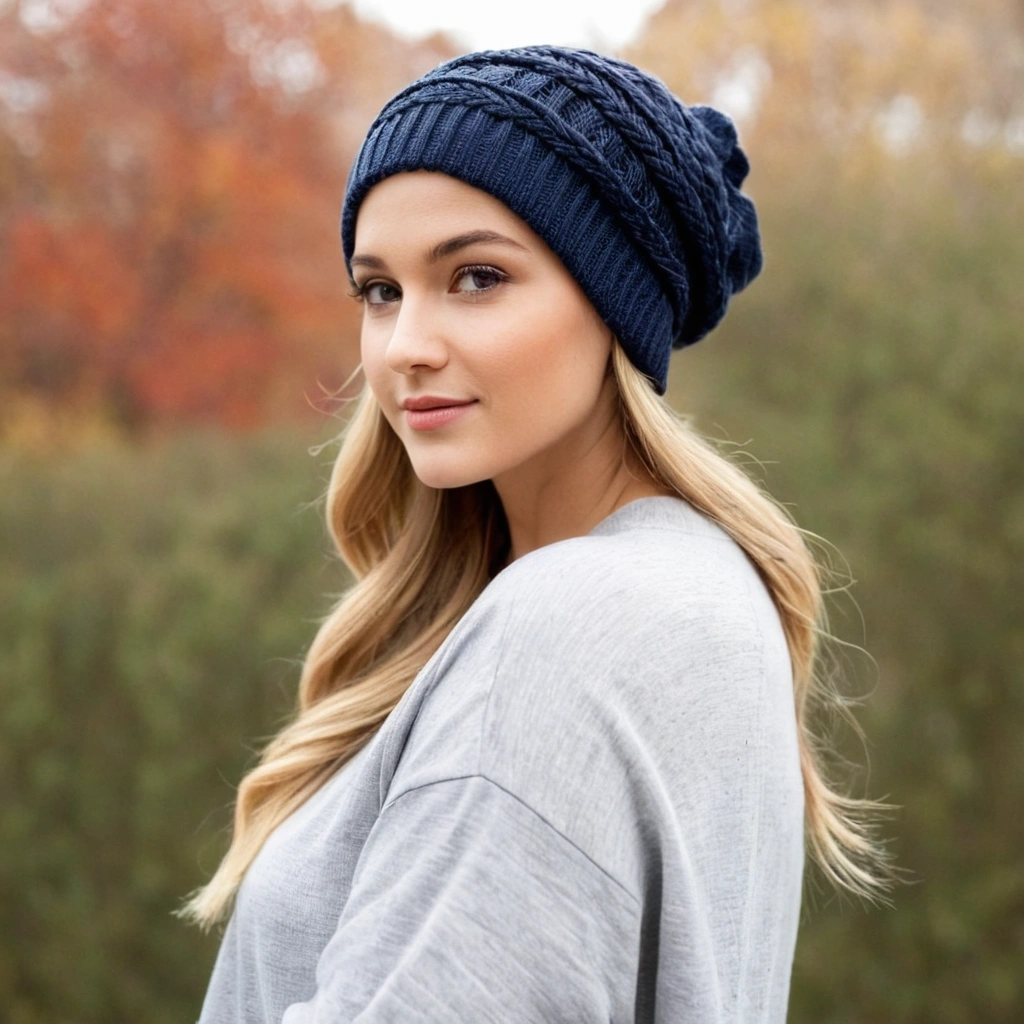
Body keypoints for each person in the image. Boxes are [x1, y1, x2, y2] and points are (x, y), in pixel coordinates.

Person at [186, 45, 888, 1023]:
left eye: (475, 277)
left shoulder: (569, 626)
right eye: (379, 290)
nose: (405, 346)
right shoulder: (702, 593)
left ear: (612, 302)